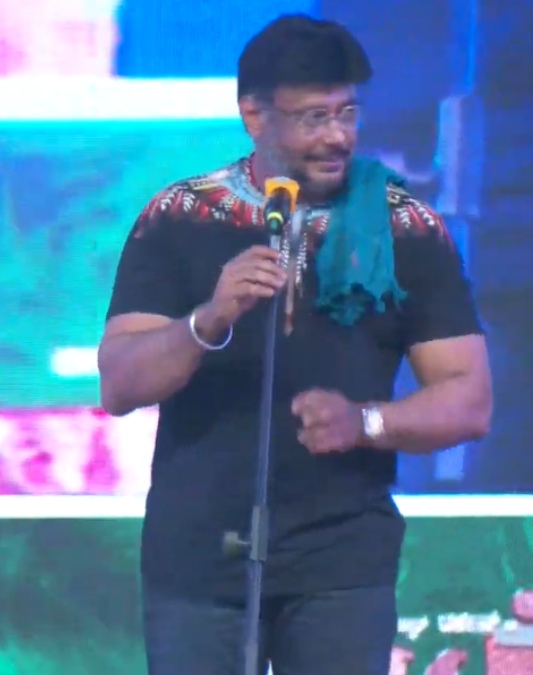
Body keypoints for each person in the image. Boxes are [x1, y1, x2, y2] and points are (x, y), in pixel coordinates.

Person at [97, 15, 491, 675]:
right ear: (254, 115)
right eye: (314, 118)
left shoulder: (405, 227)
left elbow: (469, 398)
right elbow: (119, 384)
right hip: (197, 564)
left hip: (342, 565)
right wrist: (207, 320)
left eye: (347, 113)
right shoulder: (180, 217)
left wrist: (366, 422)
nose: (338, 136)